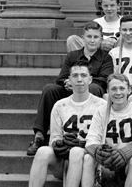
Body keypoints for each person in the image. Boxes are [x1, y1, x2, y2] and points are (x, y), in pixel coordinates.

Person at [12, 61, 107, 187]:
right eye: (75, 76)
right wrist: (58, 144)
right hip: (64, 162)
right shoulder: (60, 105)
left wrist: (81, 144)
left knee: (78, 151)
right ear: (69, 80)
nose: (79, 80)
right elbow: (55, 137)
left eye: (83, 76)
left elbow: (103, 141)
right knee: (42, 151)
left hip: (88, 162)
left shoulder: (101, 105)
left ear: (90, 79)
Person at [28, 21, 113, 156]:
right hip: (70, 91)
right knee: (50, 89)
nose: (92, 40)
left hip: (91, 94)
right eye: (89, 37)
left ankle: (89, 136)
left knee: (95, 87)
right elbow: (61, 78)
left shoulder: (106, 58)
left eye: (96, 37)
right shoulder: (73, 55)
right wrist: (67, 83)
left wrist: (81, 83)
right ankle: (39, 136)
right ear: (83, 38)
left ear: (101, 39)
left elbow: (104, 80)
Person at [108, 14, 132, 92]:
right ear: (120, 30)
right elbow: (110, 77)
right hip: (118, 90)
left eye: (131, 29)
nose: (128, 33)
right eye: (124, 30)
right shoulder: (113, 53)